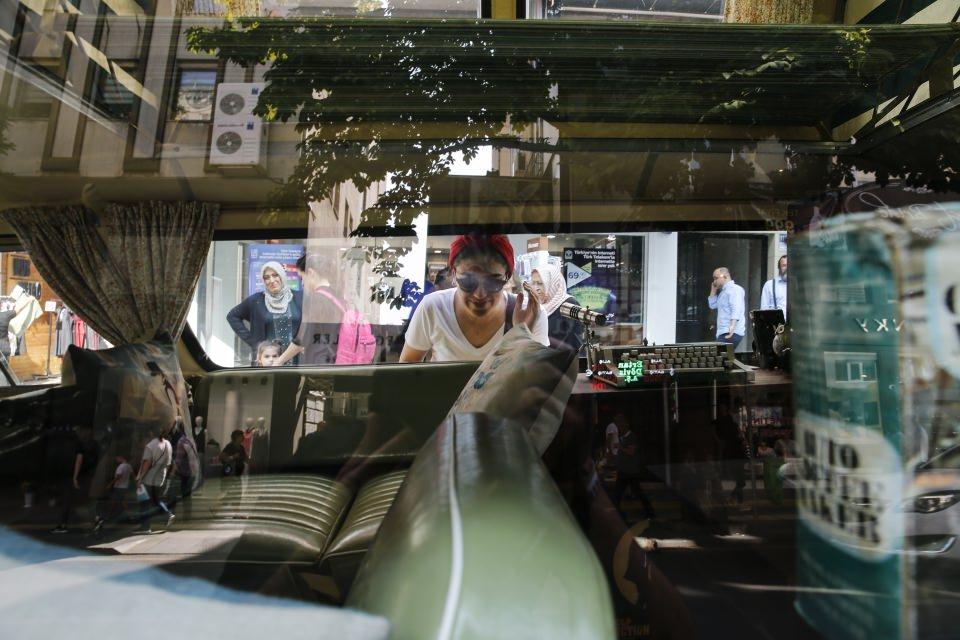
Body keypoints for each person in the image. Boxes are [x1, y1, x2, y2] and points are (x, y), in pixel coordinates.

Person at [399, 233, 547, 363]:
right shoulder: (433, 307)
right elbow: (408, 369)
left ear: (507, 277)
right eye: (468, 281)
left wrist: (521, 335)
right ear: (454, 274)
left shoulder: (530, 313)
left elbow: (536, 380)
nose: (479, 294)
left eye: (492, 282)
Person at [276, 253, 371, 366]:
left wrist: (279, 361)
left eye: (302, 277)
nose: (302, 283)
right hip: (337, 363)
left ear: (310, 273)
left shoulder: (315, 300)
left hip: (318, 365)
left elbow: (301, 339)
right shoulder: (339, 298)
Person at [227, 261, 303, 364]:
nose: (271, 280)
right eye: (267, 277)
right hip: (267, 362)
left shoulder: (299, 298)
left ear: (282, 275)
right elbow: (232, 316)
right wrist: (253, 341)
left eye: (275, 275)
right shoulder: (256, 300)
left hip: (296, 360)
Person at [51, 425, 99, 534]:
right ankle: (95, 519)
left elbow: (78, 460)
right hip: (71, 476)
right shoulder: (78, 444)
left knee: (69, 501)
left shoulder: (64, 445)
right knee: (78, 500)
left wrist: (75, 477)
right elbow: (78, 460)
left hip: (67, 476)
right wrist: (75, 476)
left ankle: (64, 525)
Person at [530, 262, 584, 352]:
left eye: (540, 283)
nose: (536, 288)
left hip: (561, 359)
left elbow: (573, 341)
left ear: (553, 284)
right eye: (533, 283)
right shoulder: (536, 307)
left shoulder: (569, 304)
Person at [613, 417, 655, 520]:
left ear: (626, 426)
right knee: (619, 494)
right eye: (618, 426)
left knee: (635, 493)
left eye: (621, 426)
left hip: (630, 472)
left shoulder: (632, 437)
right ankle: (649, 512)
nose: (619, 428)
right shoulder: (623, 437)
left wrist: (620, 447)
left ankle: (650, 512)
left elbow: (631, 452)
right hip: (624, 471)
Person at [135, 425, 174, 533]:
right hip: (160, 477)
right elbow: (169, 463)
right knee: (156, 500)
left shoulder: (150, 446)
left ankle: (145, 527)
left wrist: (140, 478)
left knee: (144, 502)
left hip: (148, 478)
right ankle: (167, 514)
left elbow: (147, 463)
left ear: (151, 433)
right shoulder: (168, 444)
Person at [93, 452, 133, 534]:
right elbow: (132, 475)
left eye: (117, 458)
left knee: (115, 501)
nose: (116, 459)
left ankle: (106, 516)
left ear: (121, 457)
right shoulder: (129, 466)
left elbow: (118, 476)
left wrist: (110, 484)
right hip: (124, 487)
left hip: (118, 487)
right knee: (119, 501)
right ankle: (128, 516)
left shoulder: (121, 466)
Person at [715, 403, 746, 504]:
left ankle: (735, 498)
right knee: (738, 480)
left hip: (732, 455)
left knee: (737, 480)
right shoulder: (729, 425)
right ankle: (737, 499)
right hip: (734, 455)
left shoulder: (723, 425)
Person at [707, 266, 746, 349]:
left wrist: (732, 327)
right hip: (723, 332)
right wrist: (713, 291)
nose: (714, 281)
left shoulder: (735, 289)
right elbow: (712, 305)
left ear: (724, 276)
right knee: (722, 356)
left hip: (730, 332)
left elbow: (736, 309)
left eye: (716, 278)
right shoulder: (723, 292)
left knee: (717, 354)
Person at [173, 422, 200, 519]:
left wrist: (173, 471)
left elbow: (178, 459)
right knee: (187, 495)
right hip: (193, 471)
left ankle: (182, 515)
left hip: (185, 472)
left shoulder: (181, 441)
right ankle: (187, 514)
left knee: (180, 494)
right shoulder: (190, 440)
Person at [760, 255, 788, 321]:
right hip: (776, 324)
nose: (787, 268)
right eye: (784, 265)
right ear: (779, 268)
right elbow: (764, 310)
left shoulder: (796, 284)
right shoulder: (769, 285)